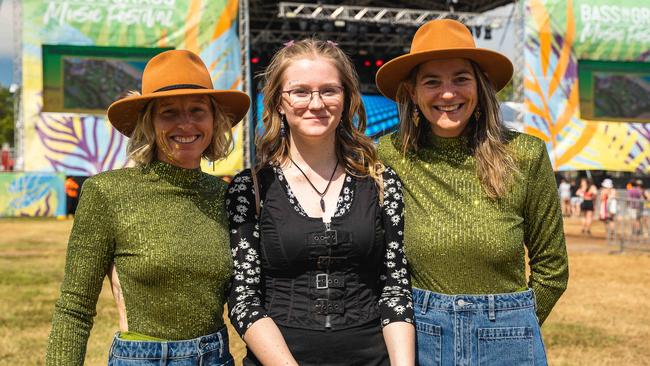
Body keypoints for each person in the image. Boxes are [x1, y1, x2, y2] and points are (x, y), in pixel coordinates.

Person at [375, 19, 568, 365]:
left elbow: (552, 268)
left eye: (460, 79)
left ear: (480, 87)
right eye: (432, 81)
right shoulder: (390, 155)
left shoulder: (525, 155)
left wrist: (513, 324)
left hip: (508, 341)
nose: (447, 94)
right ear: (412, 92)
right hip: (421, 338)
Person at [46, 50, 250, 365]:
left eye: (197, 110)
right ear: (149, 123)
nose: (186, 124)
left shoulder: (226, 196)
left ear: (214, 120)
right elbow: (74, 307)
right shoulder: (107, 192)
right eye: (169, 112)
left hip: (216, 357)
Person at [226, 39, 415, 366]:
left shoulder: (383, 183)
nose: (316, 103)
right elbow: (244, 300)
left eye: (329, 90)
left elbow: (395, 289)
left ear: (346, 99)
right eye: (300, 91)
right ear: (279, 102)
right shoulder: (250, 188)